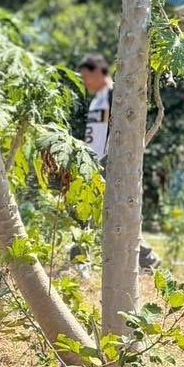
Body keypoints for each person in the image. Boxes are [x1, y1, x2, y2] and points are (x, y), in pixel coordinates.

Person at [76, 54, 160, 270]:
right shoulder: (99, 98)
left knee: (109, 213)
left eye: (86, 76)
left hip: (111, 164)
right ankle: (80, 258)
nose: (85, 82)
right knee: (102, 214)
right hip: (95, 163)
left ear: (98, 72)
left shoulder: (117, 95)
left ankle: (80, 259)